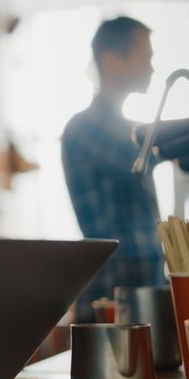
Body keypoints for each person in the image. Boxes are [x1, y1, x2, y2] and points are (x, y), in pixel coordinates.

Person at [62, 16, 165, 322]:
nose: (151, 68)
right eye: (144, 58)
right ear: (110, 60)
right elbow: (140, 155)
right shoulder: (84, 127)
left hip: (141, 293)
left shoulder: (126, 127)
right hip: (111, 299)